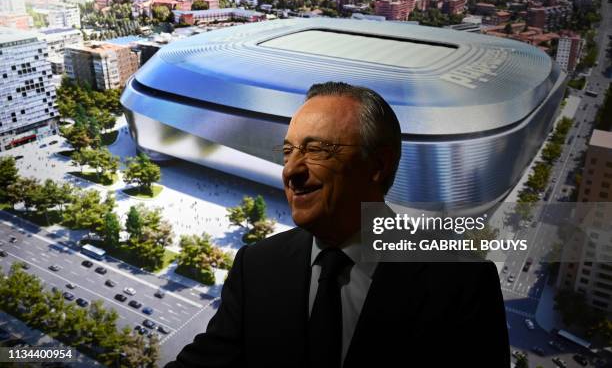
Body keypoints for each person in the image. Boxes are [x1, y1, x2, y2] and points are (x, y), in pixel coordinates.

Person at [166, 82, 510, 367]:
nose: (291, 171)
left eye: (316, 150)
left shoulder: (461, 283)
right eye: (288, 153)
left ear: (376, 165)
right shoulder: (256, 266)